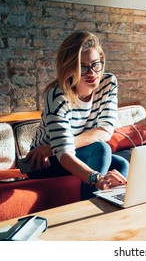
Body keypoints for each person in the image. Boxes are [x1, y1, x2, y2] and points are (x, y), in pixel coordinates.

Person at [25, 31, 129, 199]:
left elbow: (105, 131)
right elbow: (65, 153)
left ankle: (113, 214)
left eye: (95, 64)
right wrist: (97, 179)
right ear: (69, 67)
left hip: (58, 150)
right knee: (101, 149)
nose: (92, 73)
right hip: (42, 161)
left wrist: (55, 147)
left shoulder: (108, 84)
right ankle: (89, 213)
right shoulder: (57, 95)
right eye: (82, 67)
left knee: (122, 165)